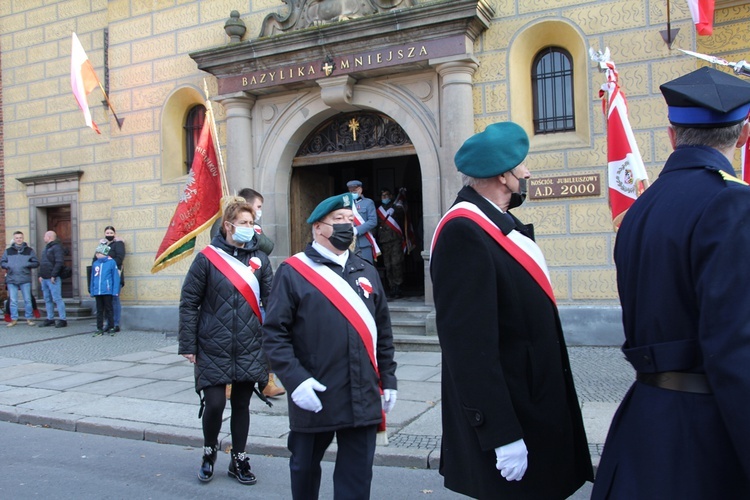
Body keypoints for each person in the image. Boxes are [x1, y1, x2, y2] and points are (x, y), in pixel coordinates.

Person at [591, 67, 750, 499]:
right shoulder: (733, 202)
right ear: (742, 135)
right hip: (707, 439)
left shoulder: (642, 208)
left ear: (671, 135)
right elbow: (737, 351)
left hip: (644, 424)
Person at [430, 122, 593, 499]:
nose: (528, 172)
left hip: (531, 400)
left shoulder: (497, 222)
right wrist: (501, 434)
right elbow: (469, 348)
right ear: (503, 175)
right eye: (521, 165)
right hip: (514, 412)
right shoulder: (464, 232)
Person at [262, 192, 398, 500]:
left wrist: (388, 379)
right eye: (339, 220)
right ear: (318, 228)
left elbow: (384, 333)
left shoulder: (367, 271)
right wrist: (295, 382)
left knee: (357, 476)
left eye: (350, 220)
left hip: (362, 392)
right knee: (304, 468)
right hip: (315, 392)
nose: (347, 227)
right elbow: (273, 333)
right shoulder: (293, 272)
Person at [178, 198, 273, 486]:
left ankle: (239, 459)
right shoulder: (207, 259)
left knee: (242, 404)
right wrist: (188, 345)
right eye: (244, 223)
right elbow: (189, 302)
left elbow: (273, 302)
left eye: (252, 223)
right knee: (216, 404)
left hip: (249, 343)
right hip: (213, 343)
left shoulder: (261, 260)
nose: (250, 228)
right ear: (228, 225)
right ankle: (209, 452)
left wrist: (276, 343)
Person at [209, 188, 283, 398]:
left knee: (264, 338)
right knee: (230, 340)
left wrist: (253, 229)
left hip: (254, 294)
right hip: (230, 293)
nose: (258, 213)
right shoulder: (221, 224)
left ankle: (267, 380)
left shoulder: (254, 229)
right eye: (257, 207)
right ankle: (227, 383)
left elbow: (268, 246)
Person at [210, 188, 274, 256]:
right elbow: (217, 242)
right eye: (258, 207)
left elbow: (268, 247)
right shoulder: (220, 222)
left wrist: (255, 235)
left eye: (251, 223)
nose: (248, 226)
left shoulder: (259, 258)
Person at [1, 231, 40, 326]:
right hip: (12, 278)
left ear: (23, 238)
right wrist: (8, 265)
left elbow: (36, 263)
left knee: (27, 300)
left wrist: (27, 264)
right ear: (14, 239)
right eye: (17, 238)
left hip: (25, 278)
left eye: (20, 237)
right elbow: (2, 263)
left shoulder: (29, 250)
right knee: (13, 301)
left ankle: (29, 318)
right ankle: (14, 319)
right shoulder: (8, 251)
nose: (19, 239)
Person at [92, 226, 125, 332]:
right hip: (102, 278)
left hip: (114, 275)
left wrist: (107, 262)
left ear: (114, 234)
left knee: (114, 299)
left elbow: (119, 258)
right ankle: (108, 323)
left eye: (111, 233)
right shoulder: (103, 245)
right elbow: (95, 259)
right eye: (107, 233)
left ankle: (115, 324)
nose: (109, 234)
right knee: (105, 303)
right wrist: (101, 245)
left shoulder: (118, 244)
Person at [376, 188, 405, 299]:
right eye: (382, 196)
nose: (384, 198)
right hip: (384, 241)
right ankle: (391, 286)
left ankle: (398, 286)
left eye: (386, 195)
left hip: (395, 240)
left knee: (396, 263)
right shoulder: (379, 211)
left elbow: (402, 213)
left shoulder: (396, 207)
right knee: (388, 265)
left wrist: (395, 210)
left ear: (391, 196)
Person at [89, 244, 120, 337]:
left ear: (104, 253)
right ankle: (99, 328)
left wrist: (115, 291)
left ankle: (111, 327)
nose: (97, 255)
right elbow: (92, 278)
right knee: (99, 310)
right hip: (98, 291)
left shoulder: (111, 262)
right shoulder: (95, 263)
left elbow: (115, 277)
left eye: (99, 253)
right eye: (96, 253)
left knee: (109, 309)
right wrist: (92, 290)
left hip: (107, 290)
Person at [38, 230, 67, 328]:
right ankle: (50, 318)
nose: (43, 238)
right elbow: (43, 263)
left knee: (57, 299)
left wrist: (54, 275)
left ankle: (63, 319)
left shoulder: (57, 247)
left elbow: (59, 262)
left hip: (52, 278)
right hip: (45, 278)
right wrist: (40, 275)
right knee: (47, 299)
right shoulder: (46, 248)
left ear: (49, 237)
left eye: (45, 236)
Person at [346, 180, 379, 264]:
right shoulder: (347, 204)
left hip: (364, 243)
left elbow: (373, 221)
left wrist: (357, 230)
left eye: (354, 191)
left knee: (367, 269)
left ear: (360, 190)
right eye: (350, 191)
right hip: (350, 244)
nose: (352, 193)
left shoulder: (368, 203)